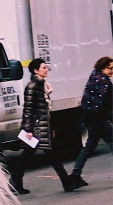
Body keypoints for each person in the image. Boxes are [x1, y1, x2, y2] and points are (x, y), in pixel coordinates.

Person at [11, 58, 74, 194]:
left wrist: (50, 128)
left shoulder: (42, 85)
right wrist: (28, 130)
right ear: (35, 70)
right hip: (35, 129)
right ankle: (67, 182)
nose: (46, 70)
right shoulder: (32, 86)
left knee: (34, 155)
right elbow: (28, 109)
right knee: (50, 155)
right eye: (44, 67)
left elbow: (45, 110)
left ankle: (15, 181)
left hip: (42, 127)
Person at [68, 56, 113, 187]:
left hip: (89, 117)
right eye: (110, 68)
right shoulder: (104, 82)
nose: (112, 71)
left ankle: (75, 175)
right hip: (99, 118)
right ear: (103, 68)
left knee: (89, 146)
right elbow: (104, 103)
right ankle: (75, 175)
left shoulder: (93, 76)